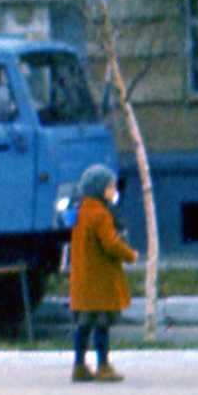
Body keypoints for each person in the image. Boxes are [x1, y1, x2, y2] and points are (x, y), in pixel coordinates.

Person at [69, 163, 137, 383]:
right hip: (100, 282)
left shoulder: (81, 212)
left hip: (83, 281)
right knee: (102, 325)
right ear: (100, 189)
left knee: (83, 325)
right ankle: (103, 366)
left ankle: (79, 366)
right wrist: (130, 254)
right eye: (111, 186)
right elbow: (110, 244)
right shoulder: (100, 215)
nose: (114, 190)